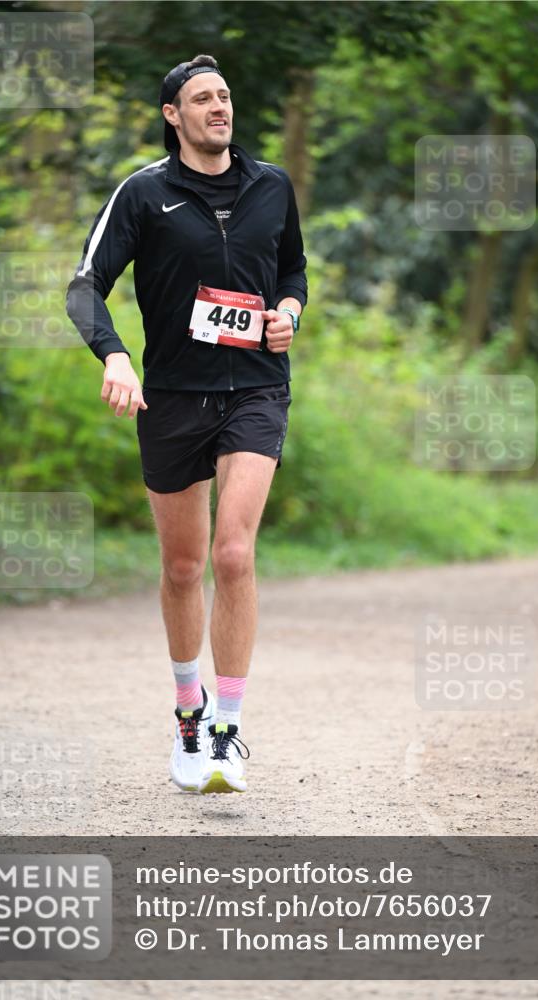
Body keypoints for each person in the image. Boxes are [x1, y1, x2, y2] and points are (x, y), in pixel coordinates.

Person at [66, 54, 307, 794]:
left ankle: (227, 732)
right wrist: (114, 356)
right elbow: (85, 289)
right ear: (172, 114)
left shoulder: (271, 186)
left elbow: (292, 270)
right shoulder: (144, 194)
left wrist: (288, 315)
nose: (218, 107)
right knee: (181, 567)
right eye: (202, 99)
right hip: (170, 396)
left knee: (232, 554)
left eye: (225, 96)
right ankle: (186, 714)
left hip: (255, 392)